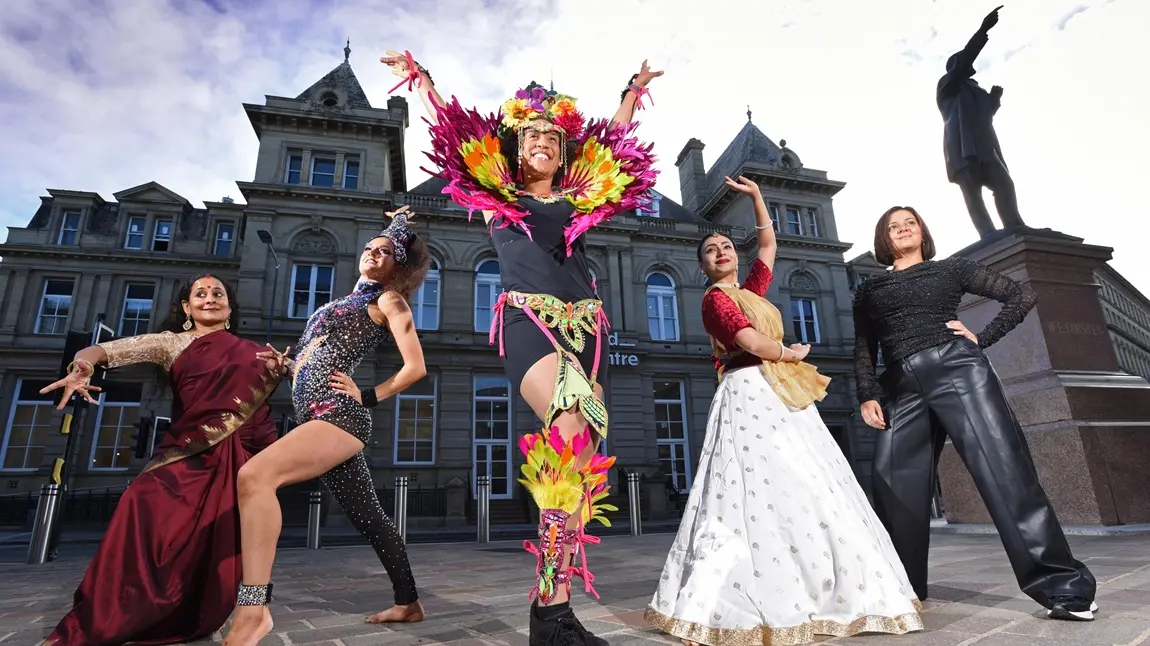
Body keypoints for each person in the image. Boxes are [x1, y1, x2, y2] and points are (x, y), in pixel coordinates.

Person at [381, 50, 660, 645]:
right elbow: (451, 131)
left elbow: (614, 143)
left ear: (564, 152)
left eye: (554, 139)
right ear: (515, 145)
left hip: (589, 328)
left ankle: (552, 606)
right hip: (530, 319)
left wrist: (632, 91)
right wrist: (425, 81)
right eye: (532, 135)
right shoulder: (497, 192)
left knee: (579, 458)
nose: (544, 143)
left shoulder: (581, 198)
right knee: (563, 421)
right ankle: (549, 609)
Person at [645, 178, 923, 646]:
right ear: (702, 266)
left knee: (804, 479)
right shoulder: (716, 300)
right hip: (750, 388)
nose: (721, 252)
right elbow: (748, 342)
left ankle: (820, 582)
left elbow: (768, 245)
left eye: (726, 245)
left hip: (777, 391)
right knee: (749, 486)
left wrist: (756, 199)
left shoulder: (750, 289)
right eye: (710, 250)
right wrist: (790, 353)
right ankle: (729, 599)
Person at [853, 206, 1098, 621]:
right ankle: (900, 588)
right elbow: (864, 347)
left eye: (910, 222)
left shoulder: (952, 269)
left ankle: (1064, 588)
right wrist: (867, 393)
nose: (903, 229)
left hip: (958, 370)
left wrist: (981, 338)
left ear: (922, 231)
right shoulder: (869, 291)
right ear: (884, 239)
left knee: (1005, 472)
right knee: (892, 485)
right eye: (893, 226)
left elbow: (1022, 294)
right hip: (901, 388)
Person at [223, 208, 432, 646]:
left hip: (339, 414)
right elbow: (310, 361)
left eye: (386, 251)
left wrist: (368, 395)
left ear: (398, 265)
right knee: (371, 519)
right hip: (314, 416)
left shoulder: (387, 301)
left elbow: (415, 368)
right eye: (370, 248)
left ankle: (253, 608)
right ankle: (408, 602)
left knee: (255, 476)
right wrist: (287, 367)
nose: (374, 254)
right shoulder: (334, 306)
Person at [44, 275, 280, 645]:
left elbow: (305, 376)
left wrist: (298, 370)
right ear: (186, 308)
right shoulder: (170, 344)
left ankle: (196, 611)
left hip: (234, 461)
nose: (210, 298)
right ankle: (118, 609)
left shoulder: (256, 352)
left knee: (212, 540)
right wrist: (82, 366)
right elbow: (104, 351)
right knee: (138, 504)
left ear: (230, 309)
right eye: (199, 294)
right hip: (182, 456)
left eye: (218, 293)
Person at [937, 5, 1026, 237]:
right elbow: (967, 58)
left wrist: (994, 100)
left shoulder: (974, 89)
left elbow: (985, 115)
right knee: (973, 192)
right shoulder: (947, 85)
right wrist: (983, 30)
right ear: (956, 66)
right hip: (961, 148)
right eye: (963, 61)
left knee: (1004, 184)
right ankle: (987, 234)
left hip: (985, 147)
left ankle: (1014, 225)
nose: (969, 64)